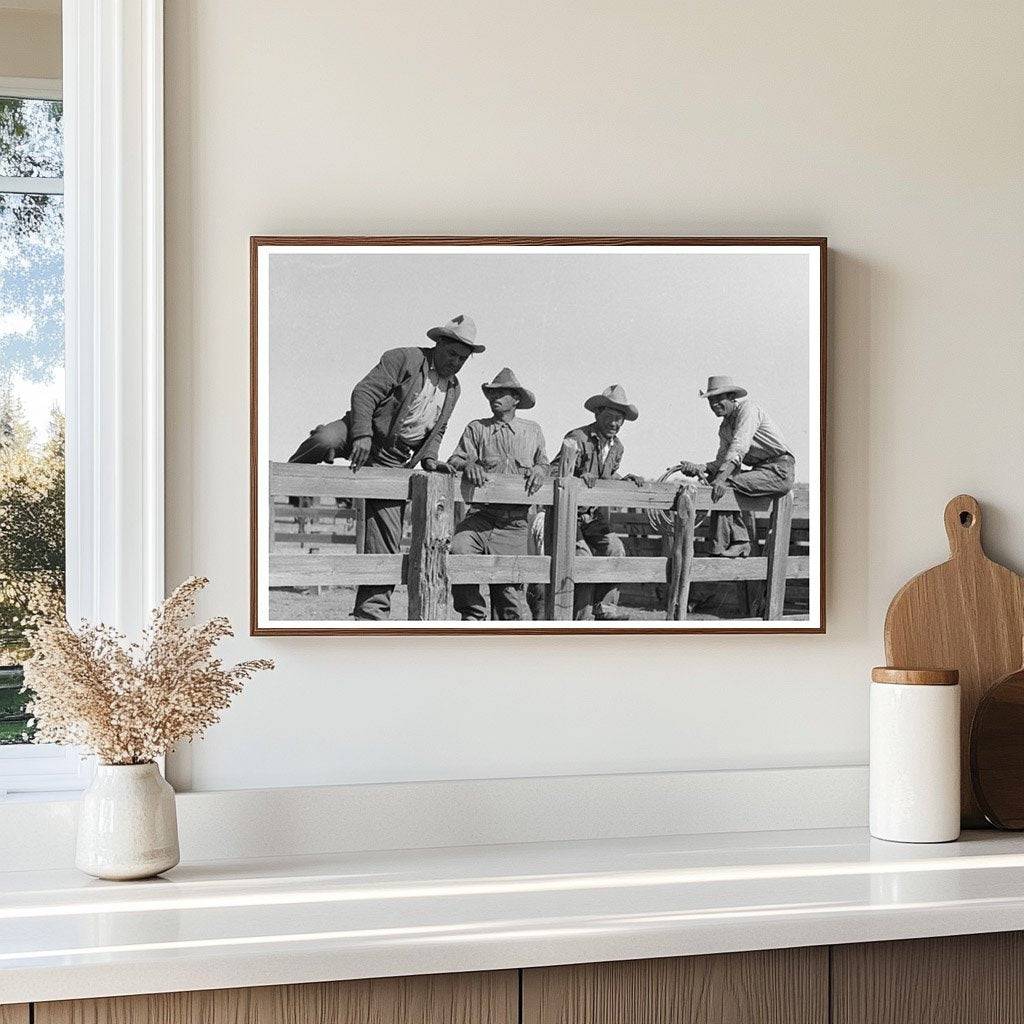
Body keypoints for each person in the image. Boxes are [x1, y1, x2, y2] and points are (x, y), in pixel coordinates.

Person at [287, 314, 483, 620]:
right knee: (324, 440)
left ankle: (370, 614)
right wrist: (362, 434)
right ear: (439, 344)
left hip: (394, 459)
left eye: (462, 359)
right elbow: (364, 392)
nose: (455, 362)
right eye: (452, 354)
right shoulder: (404, 358)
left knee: (385, 541)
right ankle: (284, 484)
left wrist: (430, 458)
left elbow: (437, 430)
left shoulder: (453, 388)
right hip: (360, 431)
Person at [436, 368, 548, 621]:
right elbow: (456, 458)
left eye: (502, 393)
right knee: (460, 550)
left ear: (516, 399)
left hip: (515, 523)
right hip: (481, 516)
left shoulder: (532, 431)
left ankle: (505, 640)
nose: (495, 397)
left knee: (509, 595)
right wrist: (468, 465)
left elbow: (545, 463)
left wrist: (540, 470)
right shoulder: (477, 428)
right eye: (492, 392)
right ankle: (473, 615)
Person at [669, 375, 795, 558]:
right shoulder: (724, 428)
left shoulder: (748, 410)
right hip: (761, 471)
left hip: (780, 471)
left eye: (718, 399)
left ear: (731, 397)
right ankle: (729, 543)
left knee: (723, 485)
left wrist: (721, 479)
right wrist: (701, 468)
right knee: (718, 482)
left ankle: (731, 544)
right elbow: (722, 461)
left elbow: (739, 447)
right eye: (711, 401)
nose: (714, 405)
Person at [562, 385, 645, 620]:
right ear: (598, 414)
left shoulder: (617, 447)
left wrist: (624, 480)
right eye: (610, 417)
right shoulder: (576, 437)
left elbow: (606, 477)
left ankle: (605, 608)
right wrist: (578, 477)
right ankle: (580, 616)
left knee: (615, 549)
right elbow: (554, 472)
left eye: (620, 419)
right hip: (568, 516)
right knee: (584, 557)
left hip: (592, 518)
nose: (615, 424)